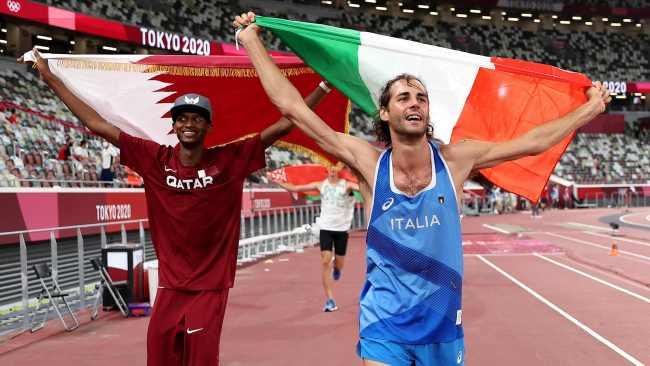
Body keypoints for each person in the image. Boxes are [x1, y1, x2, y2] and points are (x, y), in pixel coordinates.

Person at [234, 12, 611, 366]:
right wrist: (251, 41)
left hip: (443, 325)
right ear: (385, 113)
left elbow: (532, 142)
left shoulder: (456, 160)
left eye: (421, 98)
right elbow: (294, 109)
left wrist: (588, 111)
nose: (414, 103)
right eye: (403, 97)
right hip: (384, 323)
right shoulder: (368, 163)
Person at [20, 47, 331, 366]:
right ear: (174, 125)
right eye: (182, 118)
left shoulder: (228, 161)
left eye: (197, 119)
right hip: (170, 287)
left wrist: (323, 87)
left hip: (209, 289)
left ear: (208, 127)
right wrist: (49, 77)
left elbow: (283, 125)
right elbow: (96, 123)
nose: (189, 124)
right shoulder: (155, 160)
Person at [277, 163, 359, 312]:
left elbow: (360, 188)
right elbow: (296, 188)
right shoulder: (320, 185)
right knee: (325, 260)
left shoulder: (346, 185)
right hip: (325, 228)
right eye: (330, 168)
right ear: (326, 170)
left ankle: (337, 268)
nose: (332, 170)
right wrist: (277, 180)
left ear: (339, 170)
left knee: (339, 263)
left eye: (335, 168)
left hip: (341, 230)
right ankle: (330, 299)